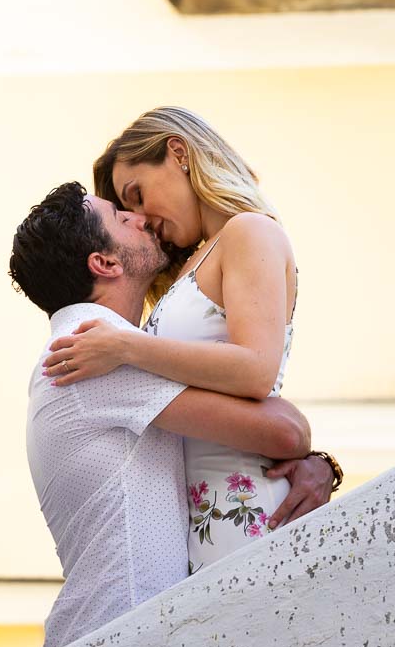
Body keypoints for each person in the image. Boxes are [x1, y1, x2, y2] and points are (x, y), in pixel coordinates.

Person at [10, 181, 336, 647]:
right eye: (122, 218)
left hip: (127, 644)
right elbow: (286, 431)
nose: (140, 218)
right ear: (104, 263)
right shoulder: (93, 355)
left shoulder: (105, 352)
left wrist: (319, 464)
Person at [44, 107, 343, 574]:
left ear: (179, 153)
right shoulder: (192, 265)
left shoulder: (249, 231)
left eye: (137, 194)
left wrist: (126, 347)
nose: (141, 217)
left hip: (249, 513)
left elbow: (256, 369)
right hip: (202, 524)